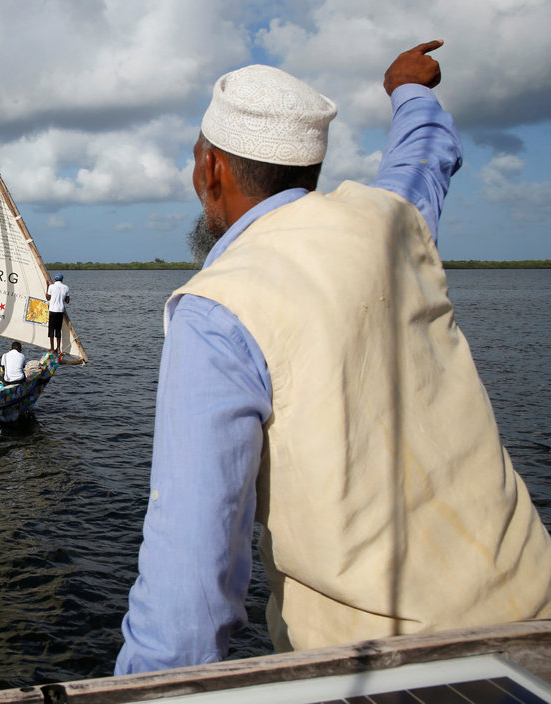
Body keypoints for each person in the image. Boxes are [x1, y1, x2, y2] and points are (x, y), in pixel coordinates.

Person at [116, 42, 551, 676]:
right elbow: (423, 159)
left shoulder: (216, 310)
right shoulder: (393, 224)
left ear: (211, 169)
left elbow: (188, 589)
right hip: (535, 624)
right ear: (309, 170)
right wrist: (409, 89)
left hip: (389, 673)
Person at [45, 273, 70, 355]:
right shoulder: (66, 287)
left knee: (51, 329)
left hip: (52, 311)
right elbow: (67, 301)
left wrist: (47, 286)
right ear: (62, 279)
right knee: (58, 330)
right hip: (60, 311)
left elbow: (48, 298)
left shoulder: (51, 287)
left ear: (55, 279)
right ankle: (58, 349)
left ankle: (52, 348)